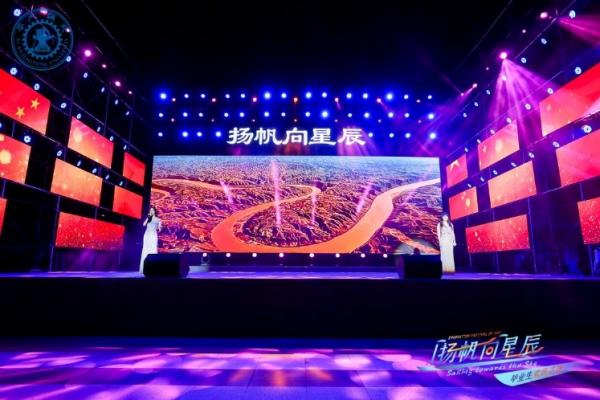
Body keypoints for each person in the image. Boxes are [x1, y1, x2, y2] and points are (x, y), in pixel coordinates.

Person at [140, 206, 162, 272]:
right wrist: (148, 218)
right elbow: (144, 224)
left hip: (153, 235)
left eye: (152, 210)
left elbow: (159, 229)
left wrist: (158, 228)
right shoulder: (148, 218)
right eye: (150, 210)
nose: (151, 211)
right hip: (147, 235)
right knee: (145, 249)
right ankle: (144, 267)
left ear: (155, 211)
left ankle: (153, 267)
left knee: (152, 249)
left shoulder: (158, 219)